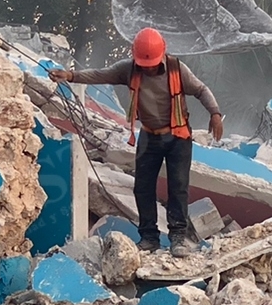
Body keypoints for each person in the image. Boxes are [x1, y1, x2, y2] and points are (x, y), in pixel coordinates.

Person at [52, 28, 224, 258]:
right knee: (142, 187)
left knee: (178, 188)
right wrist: (71, 76)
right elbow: (101, 74)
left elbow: (201, 89)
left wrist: (214, 113)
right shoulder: (129, 69)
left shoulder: (177, 69)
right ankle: (149, 237)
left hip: (178, 137)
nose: (148, 67)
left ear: (162, 54)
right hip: (149, 136)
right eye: (145, 63)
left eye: (152, 63)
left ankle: (178, 238)